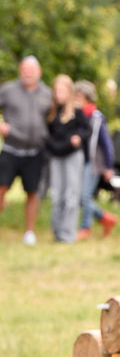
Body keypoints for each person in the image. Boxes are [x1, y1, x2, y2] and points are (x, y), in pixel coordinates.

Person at [0, 56, 52, 246]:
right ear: (20, 71)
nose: (28, 73)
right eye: (25, 70)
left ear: (39, 72)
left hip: (35, 152)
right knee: (2, 188)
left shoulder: (47, 93)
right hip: (11, 149)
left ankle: (29, 232)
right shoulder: (9, 89)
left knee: (32, 192)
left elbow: (54, 119)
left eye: (32, 70)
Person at [46, 75, 90, 243]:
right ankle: (57, 232)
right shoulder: (51, 112)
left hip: (72, 157)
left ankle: (68, 234)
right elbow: (47, 135)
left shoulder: (77, 111)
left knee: (71, 196)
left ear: (69, 92)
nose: (59, 94)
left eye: (62, 90)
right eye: (56, 91)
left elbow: (87, 130)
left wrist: (78, 137)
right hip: (56, 157)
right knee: (57, 196)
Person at [74, 80, 117, 240]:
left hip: (93, 163)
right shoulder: (76, 116)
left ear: (87, 97)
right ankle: (105, 218)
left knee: (84, 196)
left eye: (78, 96)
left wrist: (108, 166)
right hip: (79, 162)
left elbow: (106, 144)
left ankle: (86, 228)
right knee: (79, 197)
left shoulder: (96, 117)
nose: (75, 99)